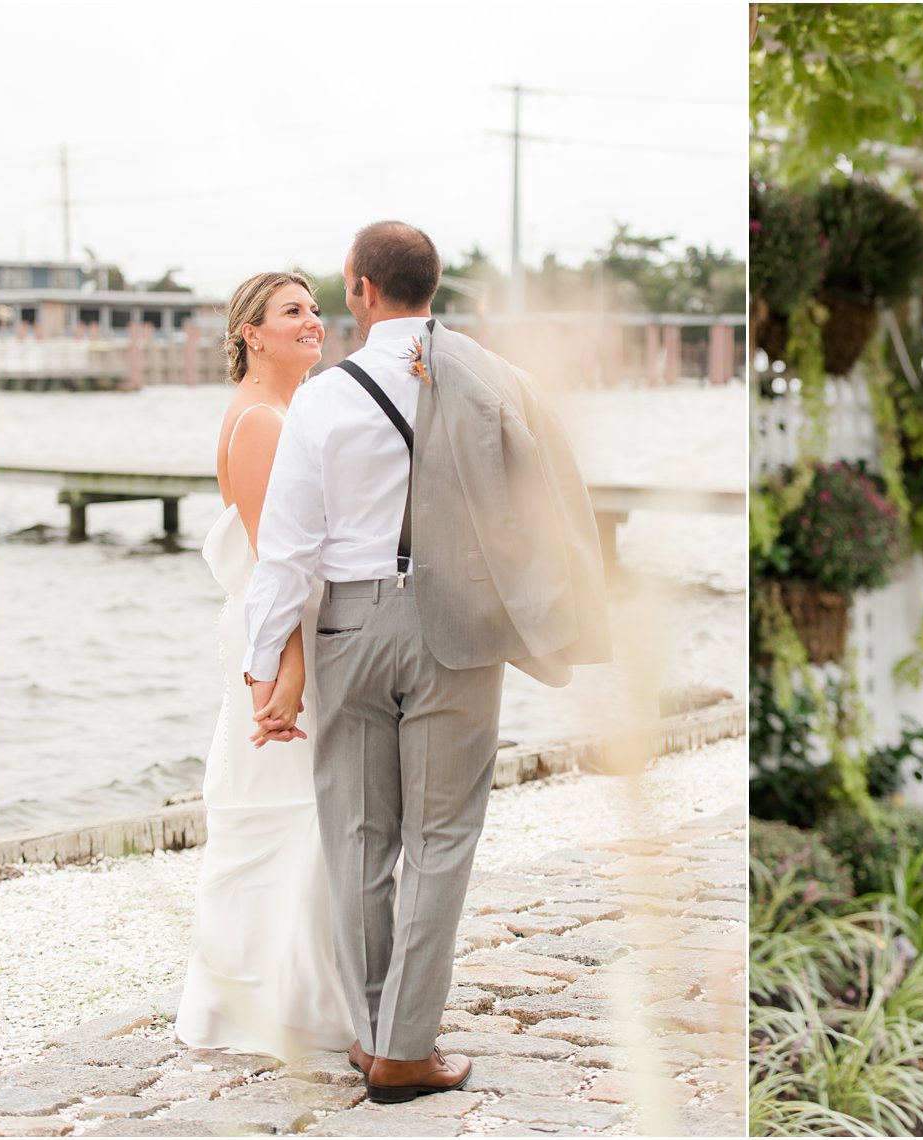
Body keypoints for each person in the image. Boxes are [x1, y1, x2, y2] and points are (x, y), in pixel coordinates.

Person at [242, 221, 609, 1104]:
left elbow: (287, 553)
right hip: (459, 623)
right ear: (433, 287)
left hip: (350, 628)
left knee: (357, 839)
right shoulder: (495, 380)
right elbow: (539, 501)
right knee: (441, 841)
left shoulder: (324, 399)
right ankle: (407, 1046)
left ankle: (376, 1039)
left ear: (358, 287)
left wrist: (265, 665)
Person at [174, 272, 354, 1059]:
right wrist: (283, 673)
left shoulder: (283, 413)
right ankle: (281, 1014)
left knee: (294, 817)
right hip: (280, 643)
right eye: (293, 312)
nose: (313, 321)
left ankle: (286, 1002)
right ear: (252, 332)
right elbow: (269, 558)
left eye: (316, 309)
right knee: (283, 816)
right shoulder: (259, 424)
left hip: (290, 635)